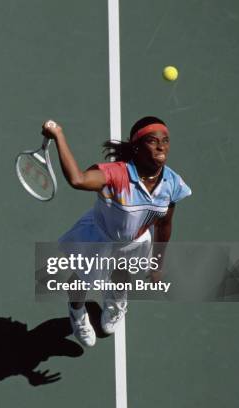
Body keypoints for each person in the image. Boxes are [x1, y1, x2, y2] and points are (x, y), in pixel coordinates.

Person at [41, 116, 191, 347]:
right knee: (81, 283)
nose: (162, 146)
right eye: (153, 141)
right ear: (137, 147)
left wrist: (157, 263)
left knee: (122, 276)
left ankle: (115, 301)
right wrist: (59, 135)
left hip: (135, 241)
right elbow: (78, 179)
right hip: (99, 239)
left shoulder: (172, 183)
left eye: (166, 140)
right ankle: (77, 313)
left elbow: (163, 224)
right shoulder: (115, 174)